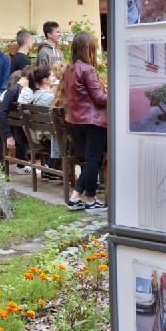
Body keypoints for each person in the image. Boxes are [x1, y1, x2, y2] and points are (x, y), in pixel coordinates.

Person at [62, 32, 108, 211]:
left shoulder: (69, 69)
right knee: (93, 161)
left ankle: (83, 198)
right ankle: (83, 199)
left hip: (76, 121)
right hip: (93, 122)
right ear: (88, 49)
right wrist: (115, 92)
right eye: (94, 47)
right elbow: (99, 99)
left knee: (91, 161)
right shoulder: (87, 70)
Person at [0, 67, 33, 174]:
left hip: (18, 129)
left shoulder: (14, 91)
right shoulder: (13, 91)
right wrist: (8, 136)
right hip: (20, 133)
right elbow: (2, 113)